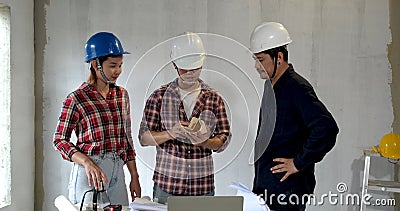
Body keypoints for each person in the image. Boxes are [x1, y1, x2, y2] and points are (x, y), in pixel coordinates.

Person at [249, 22, 339, 210]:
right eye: (255, 60)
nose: (256, 66)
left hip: (287, 191)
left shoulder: (296, 88)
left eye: (261, 60)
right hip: (268, 188)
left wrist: (298, 162)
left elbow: (326, 128)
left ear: (279, 57)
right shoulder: (271, 85)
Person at [138, 32, 231, 204]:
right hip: (167, 187)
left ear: (202, 64)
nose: (190, 73)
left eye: (194, 68)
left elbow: (223, 140)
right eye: (184, 68)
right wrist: (170, 134)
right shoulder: (159, 97)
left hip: (202, 187)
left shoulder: (213, 98)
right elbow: (143, 138)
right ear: (174, 64)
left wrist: (204, 141)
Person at [53, 32, 141, 206]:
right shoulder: (76, 99)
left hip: (117, 172)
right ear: (95, 64)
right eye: (113, 66)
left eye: (121, 65)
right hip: (89, 174)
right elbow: (59, 140)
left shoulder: (121, 95)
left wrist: (134, 177)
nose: (118, 71)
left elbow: (127, 140)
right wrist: (86, 162)